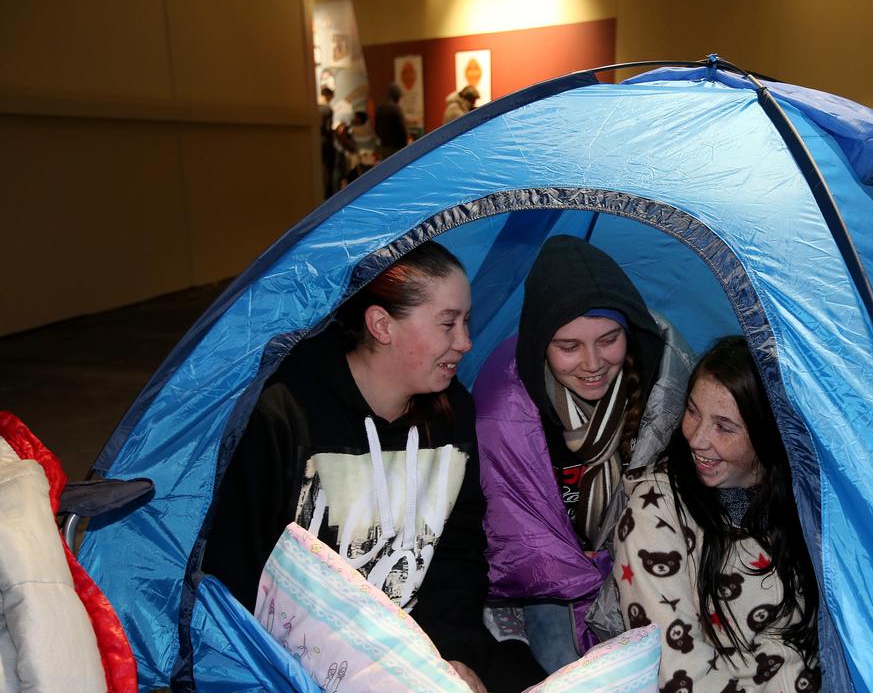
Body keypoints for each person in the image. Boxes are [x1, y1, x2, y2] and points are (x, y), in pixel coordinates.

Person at [203, 241, 543, 693]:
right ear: (382, 325)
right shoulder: (282, 413)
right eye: (448, 324)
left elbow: (456, 553)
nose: (465, 342)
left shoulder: (451, 410)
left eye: (466, 321)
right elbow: (235, 569)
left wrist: (451, 658)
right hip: (296, 661)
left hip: (423, 643)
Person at [472, 235, 695, 673]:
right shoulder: (512, 404)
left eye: (609, 339)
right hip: (547, 582)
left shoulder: (660, 388)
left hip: (639, 556)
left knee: (669, 665)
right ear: (539, 345)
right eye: (568, 346)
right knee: (562, 666)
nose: (592, 363)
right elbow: (514, 525)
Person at [614, 336, 820, 691]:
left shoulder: (804, 506)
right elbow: (676, 672)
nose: (696, 439)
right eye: (692, 411)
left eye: (724, 427)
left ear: (767, 434)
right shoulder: (656, 510)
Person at [375, 82, 410, 160]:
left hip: (384, 147)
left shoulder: (380, 108)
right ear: (397, 96)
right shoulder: (396, 109)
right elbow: (403, 130)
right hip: (397, 148)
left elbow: (376, 129)